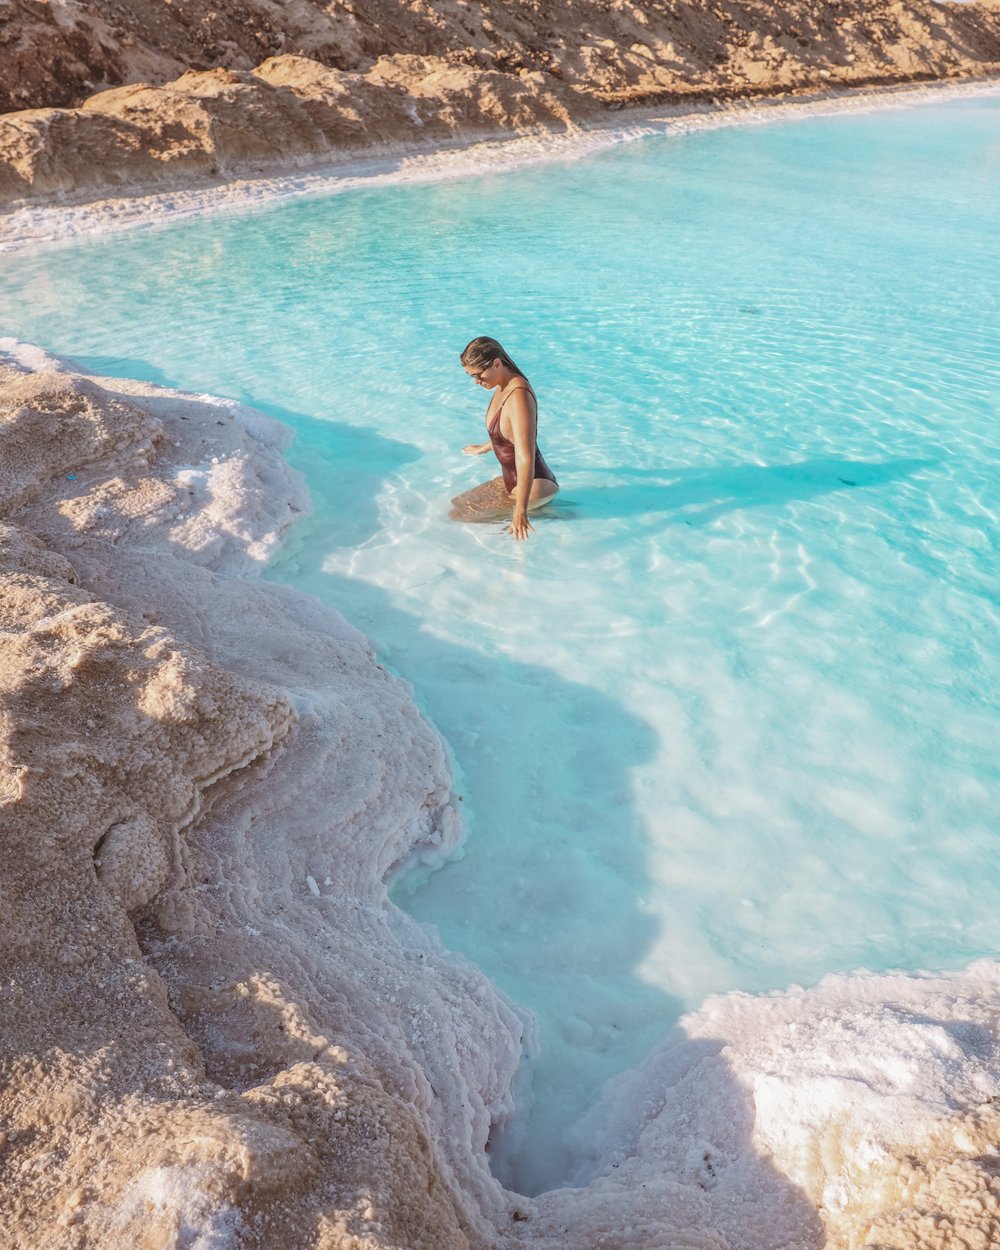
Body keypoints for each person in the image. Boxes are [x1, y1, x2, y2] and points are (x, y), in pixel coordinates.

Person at [450, 336, 558, 540]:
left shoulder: (518, 396)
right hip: (511, 481)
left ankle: (547, 512)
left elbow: (525, 457)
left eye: (478, 375)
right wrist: (483, 448)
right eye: (470, 376)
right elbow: (508, 434)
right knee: (458, 504)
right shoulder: (502, 386)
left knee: (458, 517)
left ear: (497, 363)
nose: (476, 382)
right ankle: (545, 511)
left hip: (534, 485)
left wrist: (520, 512)